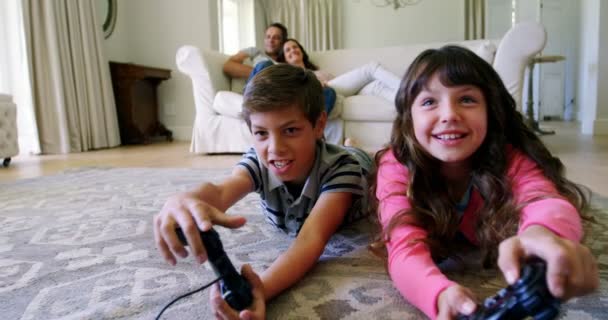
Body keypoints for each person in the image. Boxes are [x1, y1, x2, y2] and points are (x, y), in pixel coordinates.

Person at [372, 45, 598, 320]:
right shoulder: (397, 164)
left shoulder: (508, 157)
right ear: (409, 120)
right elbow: (402, 244)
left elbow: (543, 198)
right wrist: (438, 293)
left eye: (466, 99)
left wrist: (543, 234)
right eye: (429, 102)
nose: (449, 115)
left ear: (491, 111)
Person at [153, 63, 373, 319]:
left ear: (319, 124)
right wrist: (183, 200)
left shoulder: (342, 170)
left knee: (367, 156)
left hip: (356, 163)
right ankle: (347, 143)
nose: (275, 148)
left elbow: (310, 239)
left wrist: (262, 288)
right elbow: (221, 191)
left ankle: (355, 146)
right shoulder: (258, 161)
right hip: (324, 150)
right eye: (261, 133)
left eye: (290, 130)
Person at [248, 38, 337, 115]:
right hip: (279, 96)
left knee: (329, 92)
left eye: (295, 47)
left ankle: (312, 127)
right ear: (284, 58)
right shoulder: (280, 73)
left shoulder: (320, 73)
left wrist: (319, 84)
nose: (293, 50)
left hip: (305, 100)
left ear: (302, 51)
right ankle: (249, 100)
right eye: (288, 50)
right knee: (264, 64)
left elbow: (338, 83)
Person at [222, 22, 288, 79]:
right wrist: (262, 73)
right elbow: (228, 66)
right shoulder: (254, 51)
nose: (270, 40)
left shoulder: (286, 64)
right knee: (265, 64)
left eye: (276, 38)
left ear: (283, 42)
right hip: (252, 89)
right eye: (268, 37)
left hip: (274, 90)